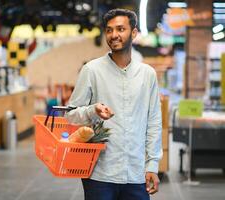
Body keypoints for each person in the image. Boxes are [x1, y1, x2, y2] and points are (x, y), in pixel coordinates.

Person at [65, 8, 162, 200]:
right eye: (109, 30)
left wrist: (152, 165)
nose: (114, 35)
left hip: (136, 174)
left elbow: (154, 122)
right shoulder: (91, 70)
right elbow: (70, 114)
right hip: (99, 173)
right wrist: (93, 110)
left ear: (133, 33)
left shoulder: (147, 74)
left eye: (120, 29)